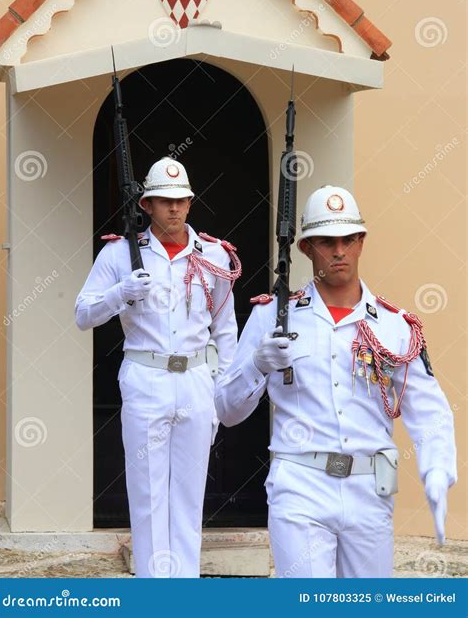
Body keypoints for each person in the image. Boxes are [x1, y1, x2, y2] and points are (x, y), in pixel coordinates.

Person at [215, 185, 456, 578]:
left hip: (369, 490)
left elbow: (429, 409)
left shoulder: (394, 326)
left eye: (347, 240)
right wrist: (257, 364)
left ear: (361, 242)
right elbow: (226, 411)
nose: (339, 251)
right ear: (307, 248)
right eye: (327, 241)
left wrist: (437, 468)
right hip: (300, 484)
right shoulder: (272, 318)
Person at [75, 156, 240, 578]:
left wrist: (222, 389)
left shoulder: (215, 255)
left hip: (197, 380)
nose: (174, 208)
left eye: (181, 200)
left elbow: (225, 329)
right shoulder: (120, 252)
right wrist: (120, 293)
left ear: (190, 202)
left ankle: (183, 591)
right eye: (164, 201)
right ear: (146, 204)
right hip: (146, 378)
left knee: (188, 495)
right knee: (148, 496)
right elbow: (83, 314)